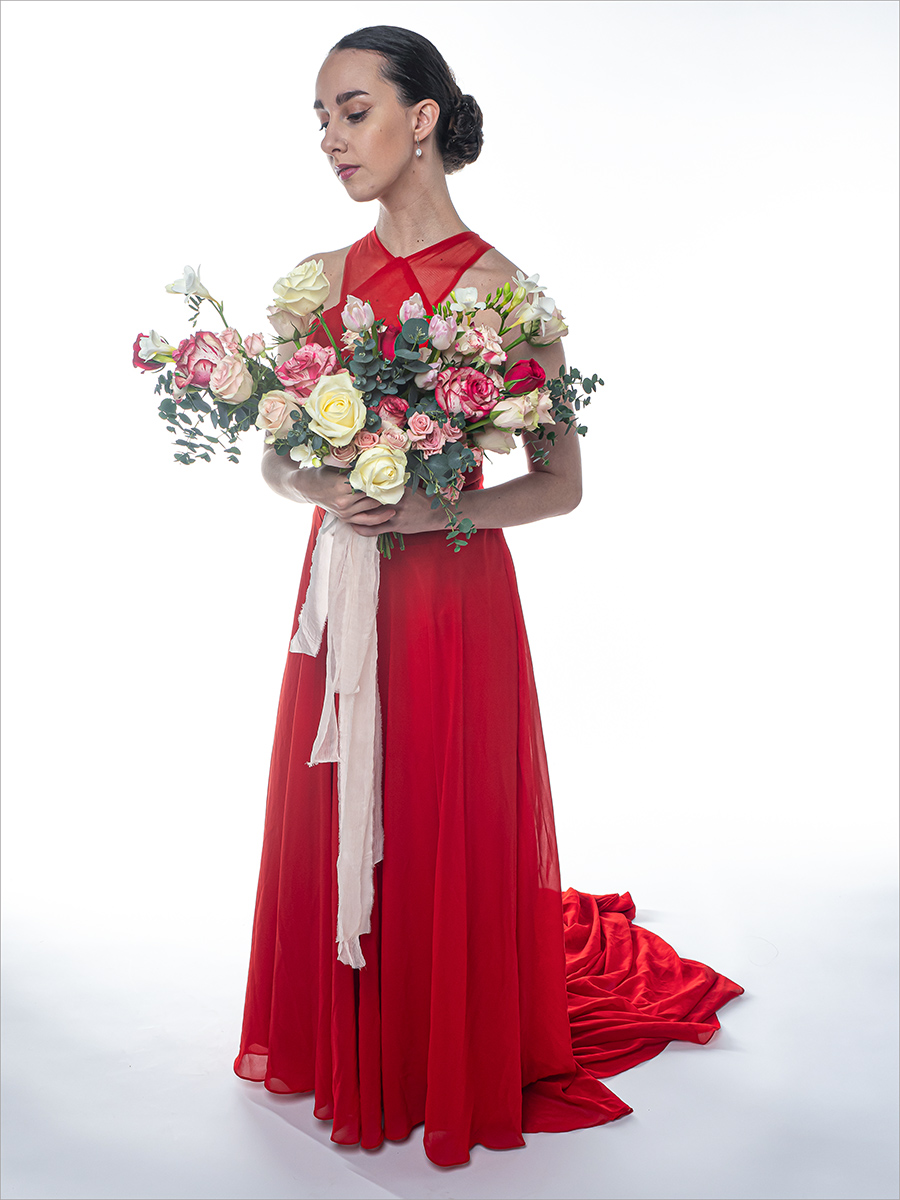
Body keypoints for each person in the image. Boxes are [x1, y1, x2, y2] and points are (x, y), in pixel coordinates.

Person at [234, 24, 743, 1168]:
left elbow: (561, 485)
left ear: (421, 119)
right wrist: (324, 483)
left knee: (442, 810)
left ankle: (440, 1048)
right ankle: (357, 1039)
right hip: (342, 594)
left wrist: (432, 512)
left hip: (451, 597)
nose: (331, 140)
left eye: (352, 111)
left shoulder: (507, 297)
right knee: (340, 809)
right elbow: (272, 459)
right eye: (320, 119)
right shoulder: (318, 285)